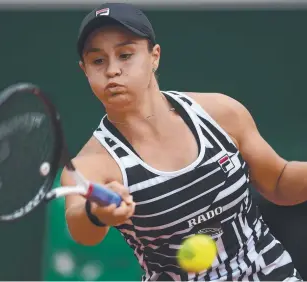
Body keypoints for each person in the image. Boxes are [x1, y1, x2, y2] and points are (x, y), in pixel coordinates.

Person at [62, 2, 305, 281]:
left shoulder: (221, 113)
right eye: (98, 61)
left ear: (155, 56)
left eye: (125, 54)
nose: (112, 70)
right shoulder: (89, 165)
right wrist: (97, 213)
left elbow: (278, 182)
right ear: (85, 71)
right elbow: (82, 229)